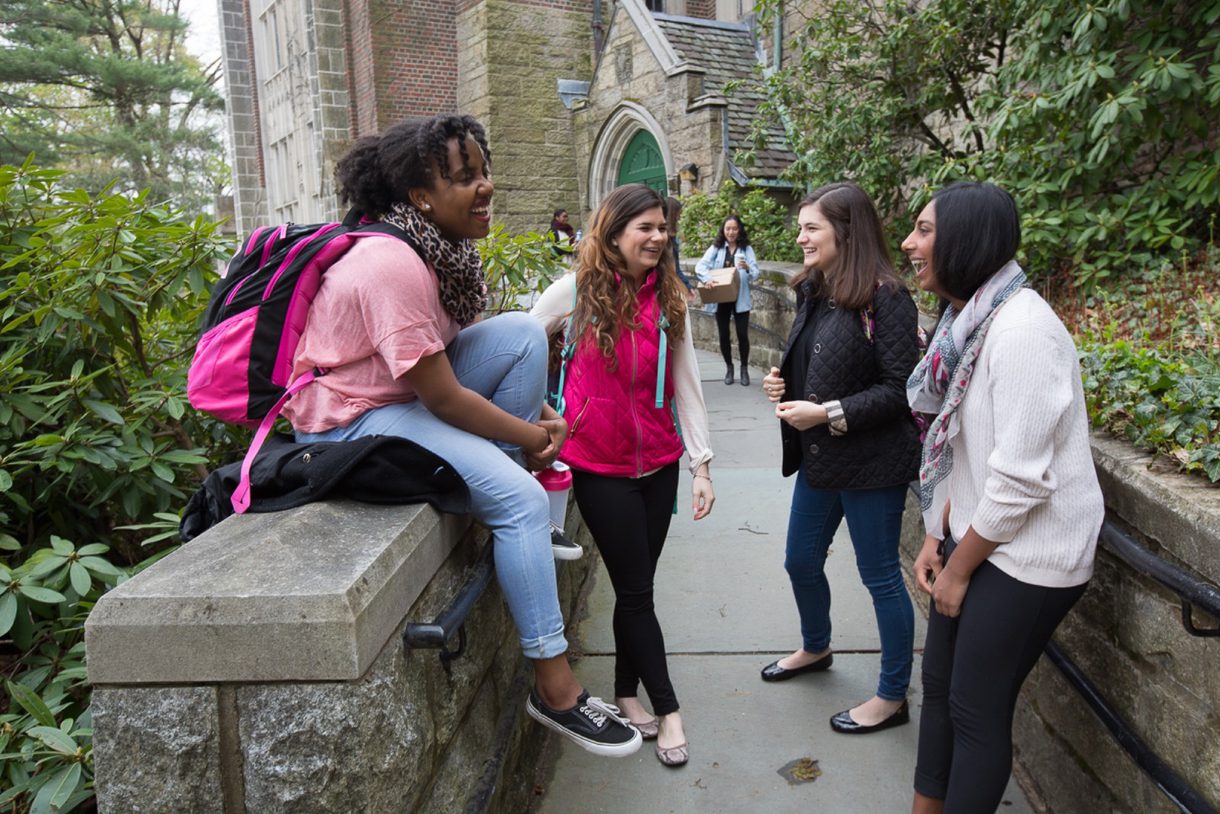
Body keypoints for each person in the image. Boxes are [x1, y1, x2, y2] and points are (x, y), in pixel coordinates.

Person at [283, 114, 641, 758]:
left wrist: (517, 437)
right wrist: (531, 438)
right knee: (523, 499)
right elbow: (442, 396)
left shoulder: (433, 245)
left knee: (524, 335)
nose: (486, 186)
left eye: (484, 171)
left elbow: (452, 367)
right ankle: (554, 690)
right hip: (351, 416)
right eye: (464, 177)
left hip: (395, 388)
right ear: (420, 196)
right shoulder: (390, 262)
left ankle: (502, 506)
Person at [904, 182, 1103, 813]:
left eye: (925, 230)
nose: (909, 244)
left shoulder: (1021, 329)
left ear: (967, 238)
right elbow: (962, 448)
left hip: (1030, 554)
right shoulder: (967, 321)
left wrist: (960, 568)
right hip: (977, 535)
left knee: (973, 710)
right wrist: (938, 535)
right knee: (938, 688)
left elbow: (1020, 478)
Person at [531, 183, 716, 768]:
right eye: (647, 228)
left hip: (659, 463)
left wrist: (701, 464)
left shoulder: (670, 298)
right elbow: (516, 344)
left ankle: (625, 692)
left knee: (639, 587)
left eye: (664, 228)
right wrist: (539, 420)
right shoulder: (576, 292)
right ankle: (669, 711)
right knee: (636, 591)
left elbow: (687, 381)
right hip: (599, 467)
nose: (659, 238)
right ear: (613, 235)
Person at [759, 182, 920, 736]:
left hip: (873, 462)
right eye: (801, 227)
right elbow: (818, 362)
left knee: (880, 577)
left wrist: (825, 412)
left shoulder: (889, 298)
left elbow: (901, 390)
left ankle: (893, 695)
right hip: (821, 460)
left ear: (845, 232)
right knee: (800, 561)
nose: (800, 237)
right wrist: (784, 384)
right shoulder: (815, 290)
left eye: (811, 228)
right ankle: (816, 646)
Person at [695, 215, 760, 386]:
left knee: (742, 334)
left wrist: (748, 268)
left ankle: (744, 369)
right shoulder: (716, 248)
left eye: (734, 228)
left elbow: (756, 273)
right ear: (723, 231)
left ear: (739, 230)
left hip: (740, 297)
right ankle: (729, 368)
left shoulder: (746, 249)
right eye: (728, 229)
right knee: (724, 335)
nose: (731, 232)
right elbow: (700, 267)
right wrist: (707, 278)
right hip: (721, 297)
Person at [663, 196, 697, 302]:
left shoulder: (672, 240)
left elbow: (675, 268)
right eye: (678, 215)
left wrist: (688, 286)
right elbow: (673, 269)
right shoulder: (663, 241)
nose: (679, 219)